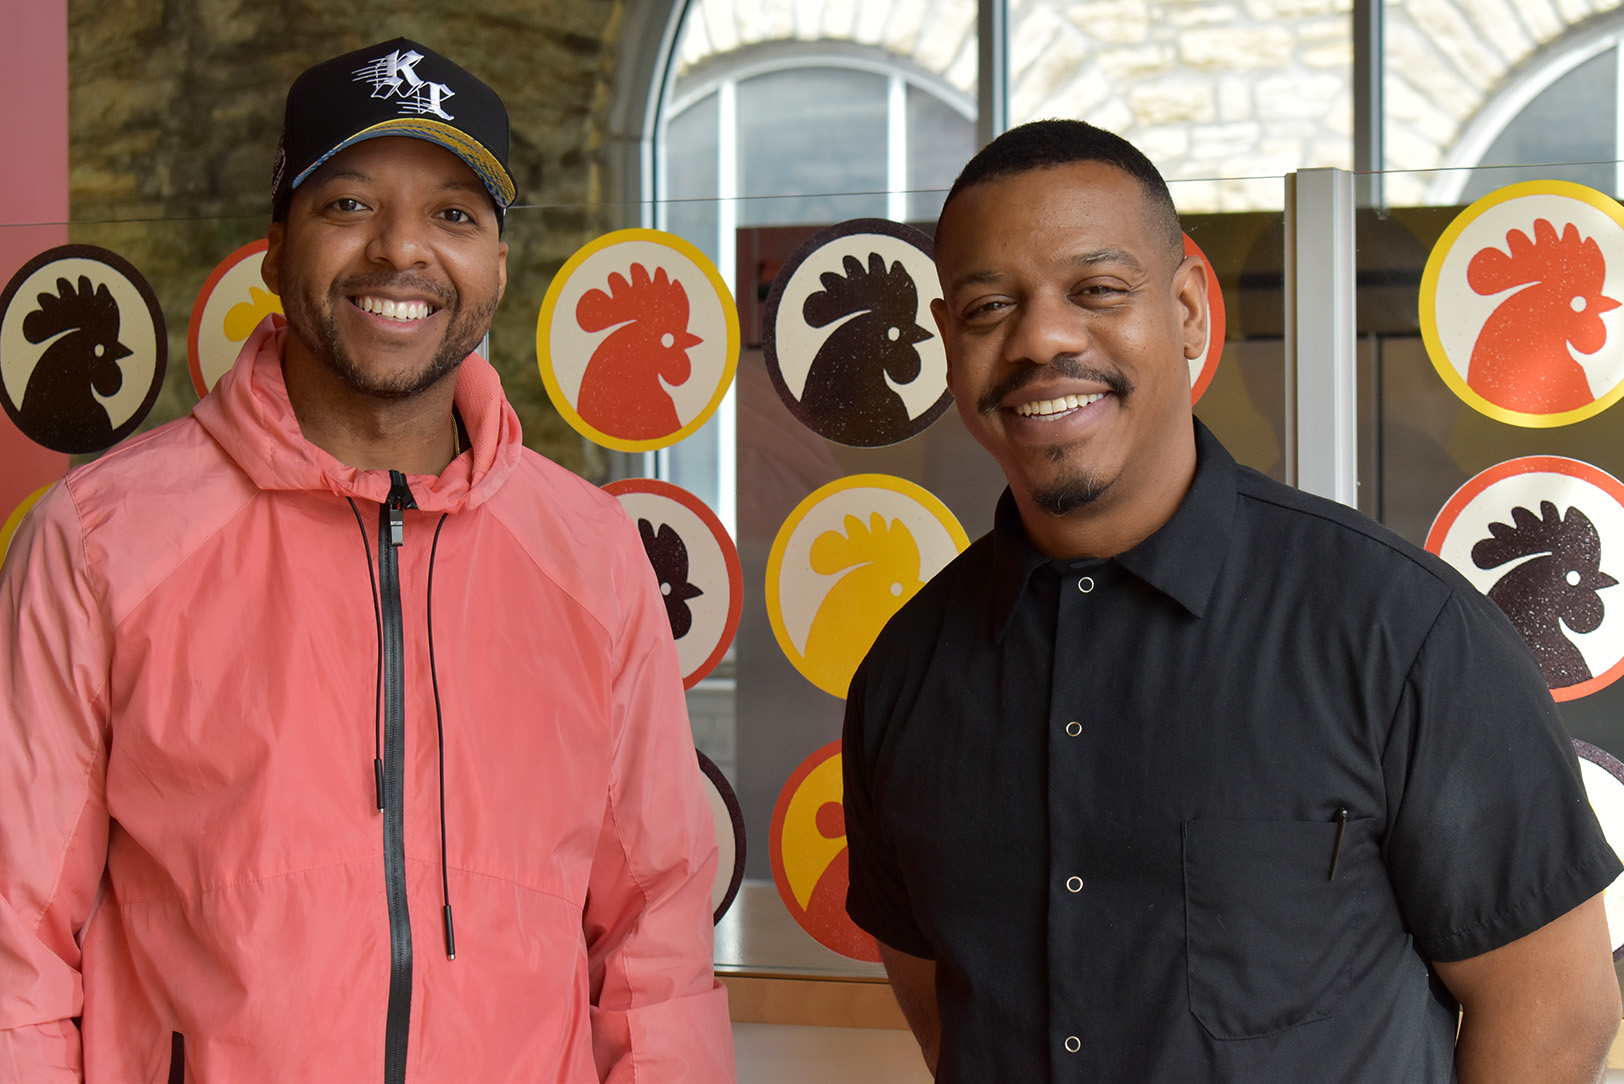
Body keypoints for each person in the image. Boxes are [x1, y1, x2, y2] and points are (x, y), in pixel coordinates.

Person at [0, 38, 734, 1081]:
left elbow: (654, 936)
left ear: (498, 263)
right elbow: (15, 933)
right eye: (348, 204)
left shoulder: (592, 553)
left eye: (453, 215)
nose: (401, 251)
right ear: (274, 243)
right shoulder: (102, 538)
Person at [841, 118, 1623, 1083]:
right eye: (989, 306)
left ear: (1188, 314)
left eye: (1097, 290)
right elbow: (945, 1016)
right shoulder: (906, 673)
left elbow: (1555, 1014)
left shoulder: (1399, 632)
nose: (1041, 337)